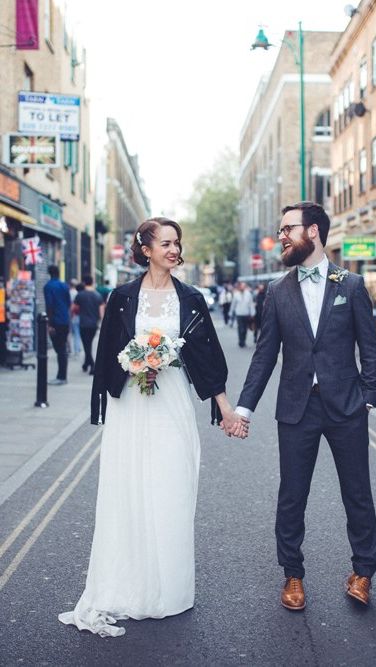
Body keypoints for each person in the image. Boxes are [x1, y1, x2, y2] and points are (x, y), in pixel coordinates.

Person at [58, 217, 246, 638]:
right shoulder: (122, 297)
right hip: (132, 409)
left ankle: (170, 588)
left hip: (173, 404)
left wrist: (226, 410)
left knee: (172, 487)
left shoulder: (192, 298)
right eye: (166, 243)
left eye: (177, 242)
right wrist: (133, 364)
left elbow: (209, 356)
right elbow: (107, 352)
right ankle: (128, 582)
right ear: (146, 249)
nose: (174, 250)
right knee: (129, 488)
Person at [232, 201, 376, 610]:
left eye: (288, 229)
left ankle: (363, 572)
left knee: (358, 493)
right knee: (292, 494)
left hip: (347, 407)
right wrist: (244, 408)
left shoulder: (349, 285)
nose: (282, 236)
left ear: (313, 231)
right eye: (281, 230)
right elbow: (264, 355)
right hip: (297, 409)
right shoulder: (278, 290)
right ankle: (292, 575)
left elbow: (369, 346)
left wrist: (369, 396)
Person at [43, 265, 71, 385]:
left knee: (59, 349)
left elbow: (49, 306)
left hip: (56, 321)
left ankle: (61, 377)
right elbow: (69, 302)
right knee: (62, 348)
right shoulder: (64, 285)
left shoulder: (48, 286)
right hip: (65, 320)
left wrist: (50, 324)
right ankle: (62, 376)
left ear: (49, 273)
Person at [74, 274, 104, 374]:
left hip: (83, 324)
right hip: (93, 325)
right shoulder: (98, 295)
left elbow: (74, 309)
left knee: (86, 345)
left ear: (84, 282)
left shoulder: (80, 295)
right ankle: (86, 364)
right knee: (88, 344)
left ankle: (92, 365)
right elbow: (101, 313)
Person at [231, 281, 255, 347]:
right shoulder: (236, 294)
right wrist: (231, 312)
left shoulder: (248, 294)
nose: (242, 287)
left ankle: (243, 341)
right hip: (239, 314)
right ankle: (240, 341)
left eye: (243, 286)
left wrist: (252, 313)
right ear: (239, 287)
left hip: (246, 314)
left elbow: (251, 304)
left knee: (245, 329)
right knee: (240, 328)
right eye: (241, 286)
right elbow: (233, 304)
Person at [69, 280, 82, 359]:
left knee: (73, 333)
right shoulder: (77, 293)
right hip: (78, 315)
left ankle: (74, 349)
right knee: (77, 333)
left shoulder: (68, 292)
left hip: (72, 315)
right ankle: (78, 348)